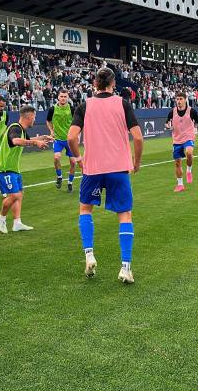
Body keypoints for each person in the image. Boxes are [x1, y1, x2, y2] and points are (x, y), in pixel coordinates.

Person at [67, 67, 143, 284]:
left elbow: (71, 137)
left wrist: (78, 158)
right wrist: (136, 162)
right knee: (125, 215)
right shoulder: (122, 103)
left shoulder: (84, 106)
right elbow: (138, 137)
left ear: (95, 84)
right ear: (113, 84)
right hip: (118, 168)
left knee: (85, 209)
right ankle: (125, 267)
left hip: (93, 168)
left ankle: (89, 255)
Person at [0, 105, 53, 234]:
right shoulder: (15, 128)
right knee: (14, 195)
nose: (35, 120)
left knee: (19, 194)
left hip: (13, 168)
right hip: (4, 168)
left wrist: (42, 137)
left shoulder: (20, 129)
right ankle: (1, 218)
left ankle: (17, 223)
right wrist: (35, 143)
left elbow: (27, 140)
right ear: (30, 116)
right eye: (34, 117)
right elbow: (16, 141)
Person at [165, 91, 198, 192]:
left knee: (189, 152)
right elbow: (166, 123)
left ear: (185, 100)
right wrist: (168, 126)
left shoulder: (192, 111)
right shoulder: (172, 112)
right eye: (177, 99)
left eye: (181, 99)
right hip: (177, 140)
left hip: (188, 137)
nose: (179, 101)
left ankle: (189, 170)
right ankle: (180, 185)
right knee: (177, 163)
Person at [46, 88, 76, 192]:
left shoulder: (72, 109)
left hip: (70, 140)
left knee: (73, 162)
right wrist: (51, 131)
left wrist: (77, 135)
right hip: (58, 139)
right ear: (58, 97)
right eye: (61, 96)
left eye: (65, 96)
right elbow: (48, 121)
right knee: (56, 157)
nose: (63, 98)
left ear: (68, 98)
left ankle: (70, 183)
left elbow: (77, 123)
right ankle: (59, 177)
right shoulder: (52, 109)